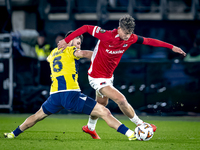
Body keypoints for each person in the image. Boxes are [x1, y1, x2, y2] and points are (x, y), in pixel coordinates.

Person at [57, 15, 186, 139]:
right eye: (125, 33)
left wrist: (171, 47)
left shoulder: (131, 38)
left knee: (101, 104)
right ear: (119, 28)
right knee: (121, 100)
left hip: (108, 77)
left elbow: (148, 41)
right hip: (96, 77)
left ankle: (90, 127)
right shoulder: (105, 34)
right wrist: (66, 40)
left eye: (129, 33)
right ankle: (141, 124)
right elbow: (85, 27)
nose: (127, 36)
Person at [4, 31, 138, 141]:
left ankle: (13, 134)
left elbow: (49, 59)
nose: (78, 46)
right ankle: (131, 134)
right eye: (77, 43)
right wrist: (102, 57)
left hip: (55, 95)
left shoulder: (53, 53)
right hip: (71, 94)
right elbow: (84, 54)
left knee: (37, 116)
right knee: (105, 112)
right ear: (69, 41)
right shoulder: (70, 50)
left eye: (80, 43)